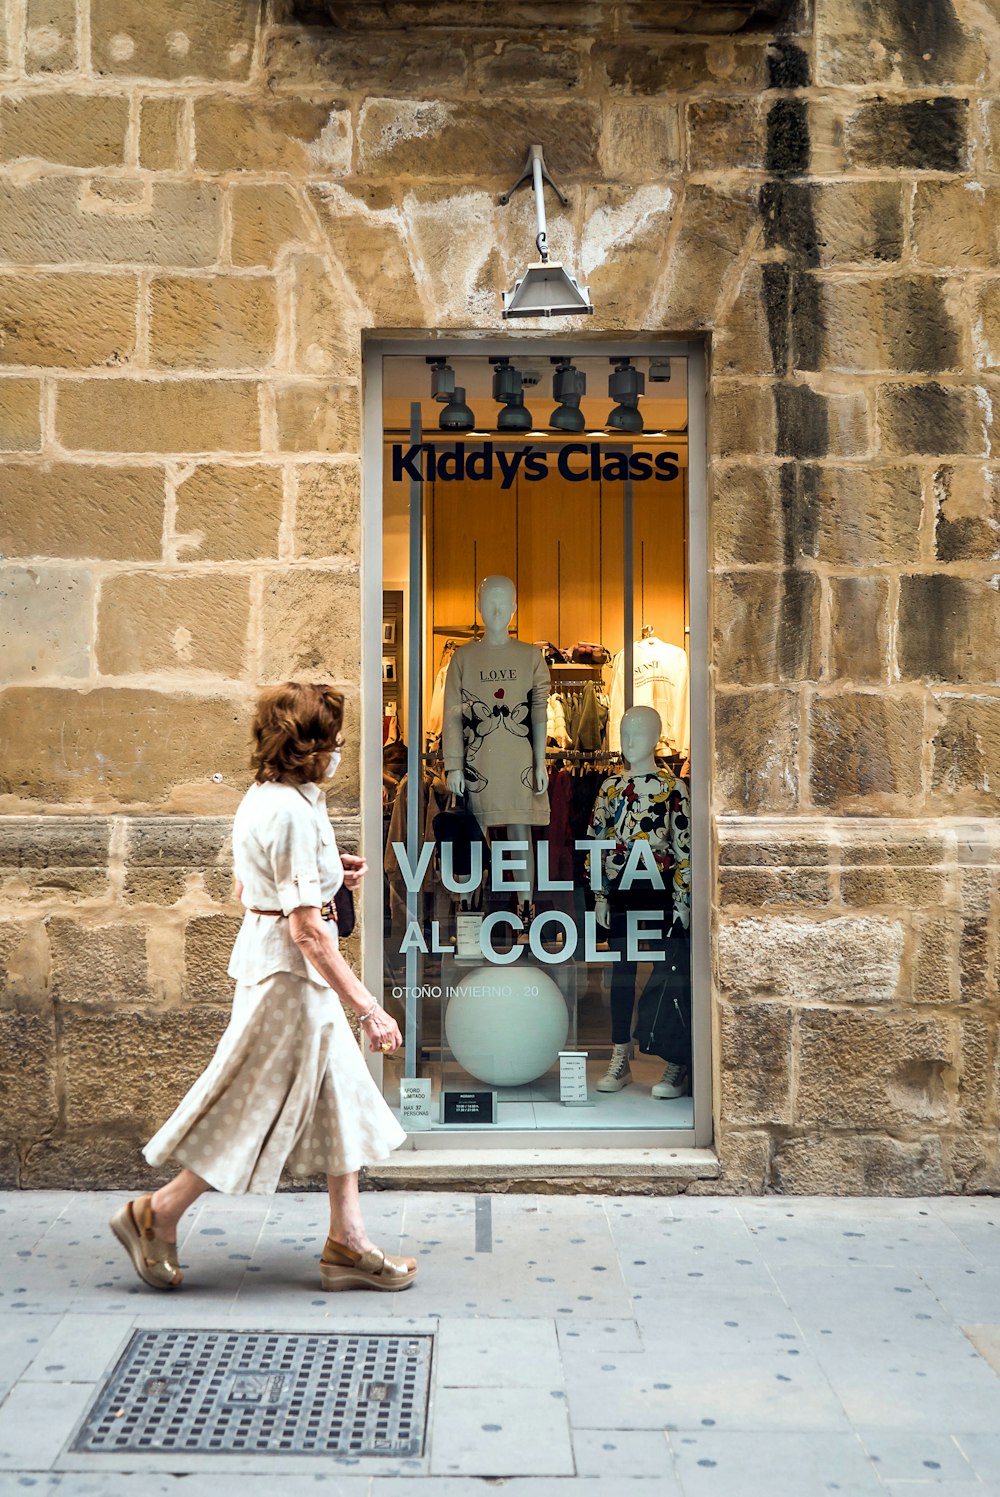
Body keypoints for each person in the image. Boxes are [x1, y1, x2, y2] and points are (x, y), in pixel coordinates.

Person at [109, 682, 415, 1294]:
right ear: (309, 747)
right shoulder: (292, 812)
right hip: (289, 982)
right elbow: (306, 930)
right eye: (331, 741)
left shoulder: (273, 797)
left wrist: (333, 870)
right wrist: (372, 1009)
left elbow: (255, 890)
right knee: (249, 1108)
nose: (337, 751)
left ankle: (347, 1242)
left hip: (281, 971)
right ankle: (157, 1213)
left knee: (341, 1101)